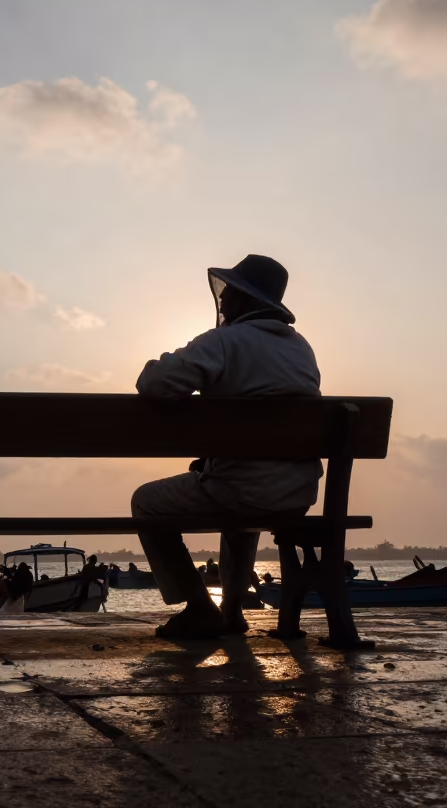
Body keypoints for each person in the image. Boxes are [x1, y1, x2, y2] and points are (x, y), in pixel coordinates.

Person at [132, 255, 323, 639]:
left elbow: (155, 384)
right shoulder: (301, 348)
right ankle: (231, 612)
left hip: (240, 488)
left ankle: (200, 607)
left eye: (231, 291)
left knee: (146, 502)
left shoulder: (223, 341)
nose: (223, 298)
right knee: (242, 492)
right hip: (297, 492)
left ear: (246, 298)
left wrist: (166, 360)